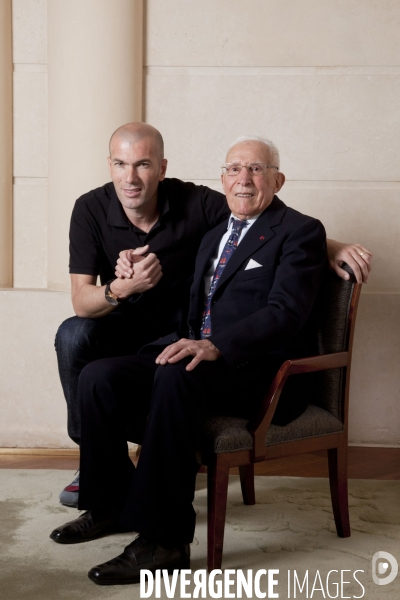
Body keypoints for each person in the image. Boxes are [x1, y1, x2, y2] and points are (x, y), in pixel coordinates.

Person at [51, 137, 348, 584]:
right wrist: (132, 275)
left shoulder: (300, 231)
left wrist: (216, 346)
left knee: (176, 374)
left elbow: (284, 314)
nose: (243, 180)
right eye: (233, 170)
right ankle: (111, 505)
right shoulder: (214, 234)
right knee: (99, 376)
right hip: (202, 361)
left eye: (256, 170)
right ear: (222, 180)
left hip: (262, 372)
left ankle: (165, 542)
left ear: (277, 180)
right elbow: (193, 313)